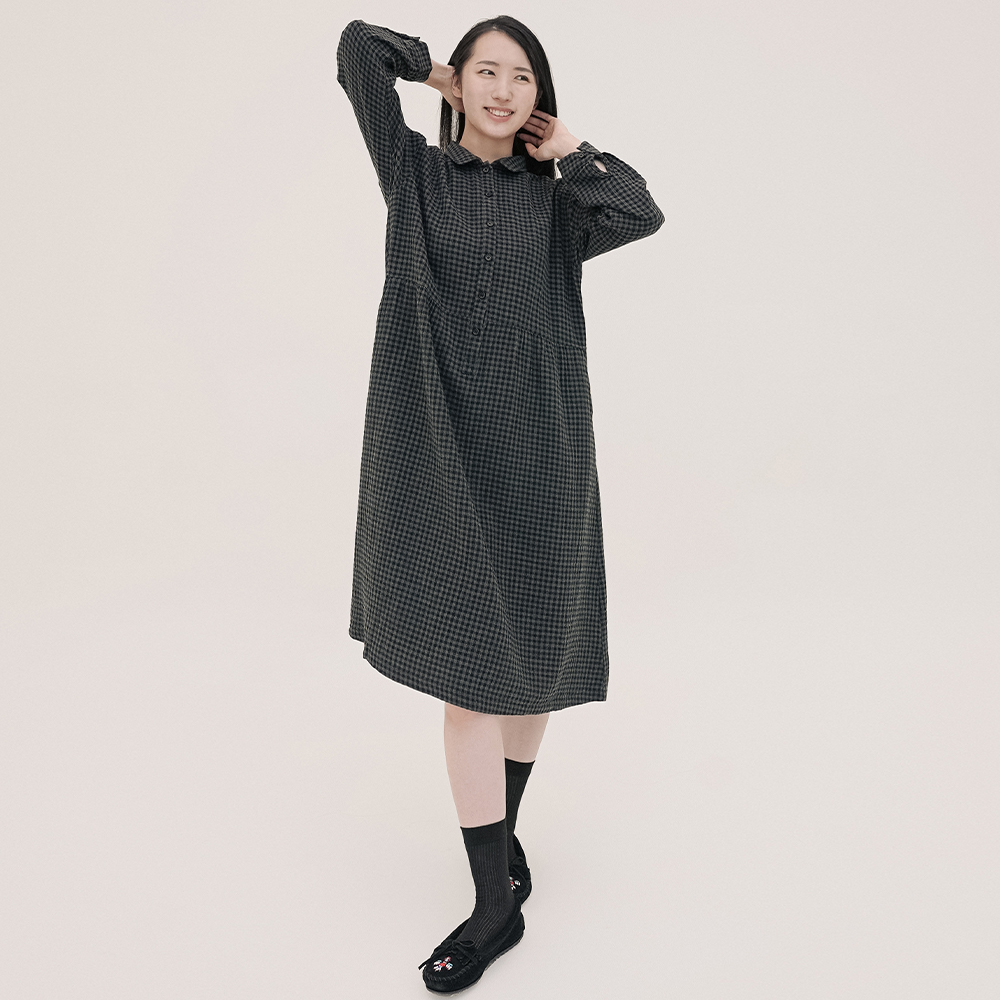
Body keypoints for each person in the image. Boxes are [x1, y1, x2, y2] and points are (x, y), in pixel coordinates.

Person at [336, 16, 664, 993]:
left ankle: (502, 839)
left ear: (540, 98)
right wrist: (438, 73)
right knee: (472, 679)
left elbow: (640, 211)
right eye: (488, 71)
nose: (502, 90)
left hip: (538, 455)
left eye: (521, 78)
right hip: (438, 451)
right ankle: (493, 902)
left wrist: (571, 148)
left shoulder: (560, 204)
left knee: (532, 668)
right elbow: (357, 50)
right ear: (461, 83)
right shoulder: (414, 177)